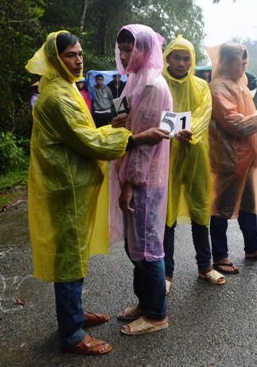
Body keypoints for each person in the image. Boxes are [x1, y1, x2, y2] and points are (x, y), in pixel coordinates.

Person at [26, 31, 168, 355]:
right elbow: (87, 141)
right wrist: (133, 138)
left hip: (75, 186)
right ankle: (72, 334)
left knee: (79, 255)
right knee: (70, 259)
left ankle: (73, 315)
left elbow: (86, 133)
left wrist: (113, 129)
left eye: (80, 54)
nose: (78, 61)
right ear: (54, 59)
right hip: (66, 189)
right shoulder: (58, 97)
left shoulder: (64, 88)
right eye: (70, 56)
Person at [110, 24, 172, 336]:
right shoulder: (135, 80)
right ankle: (146, 302)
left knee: (149, 247)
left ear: (145, 50)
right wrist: (118, 123)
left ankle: (157, 314)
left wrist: (130, 185)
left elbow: (145, 145)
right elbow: (131, 127)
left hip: (144, 178)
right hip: (135, 174)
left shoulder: (151, 86)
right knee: (136, 243)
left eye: (129, 49)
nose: (123, 55)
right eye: (121, 49)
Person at [207, 42, 257, 275]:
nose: (244, 65)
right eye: (239, 61)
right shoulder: (218, 87)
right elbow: (233, 122)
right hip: (229, 157)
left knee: (248, 205)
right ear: (226, 62)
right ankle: (220, 255)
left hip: (247, 155)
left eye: (245, 61)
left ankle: (253, 247)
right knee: (221, 206)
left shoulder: (239, 84)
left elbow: (247, 116)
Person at [162, 35, 225, 293]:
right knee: (167, 213)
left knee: (200, 207)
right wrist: (171, 134)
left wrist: (191, 133)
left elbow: (203, 112)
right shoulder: (159, 85)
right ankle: (166, 273)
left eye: (186, 57)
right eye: (176, 56)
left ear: (192, 60)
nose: (181, 62)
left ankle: (205, 265)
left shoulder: (200, 86)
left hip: (195, 151)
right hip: (166, 154)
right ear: (167, 58)